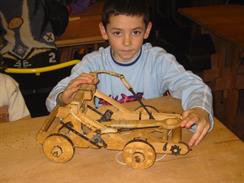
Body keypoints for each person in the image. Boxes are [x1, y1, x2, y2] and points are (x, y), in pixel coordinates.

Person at [46, 0, 213, 148]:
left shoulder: (158, 60)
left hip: (145, 139)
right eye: (117, 33)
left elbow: (192, 85)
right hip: (103, 144)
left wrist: (199, 109)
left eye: (136, 32)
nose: (127, 42)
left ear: (147, 31)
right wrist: (64, 97)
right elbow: (53, 99)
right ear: (104, 31)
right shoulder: (92, 63)